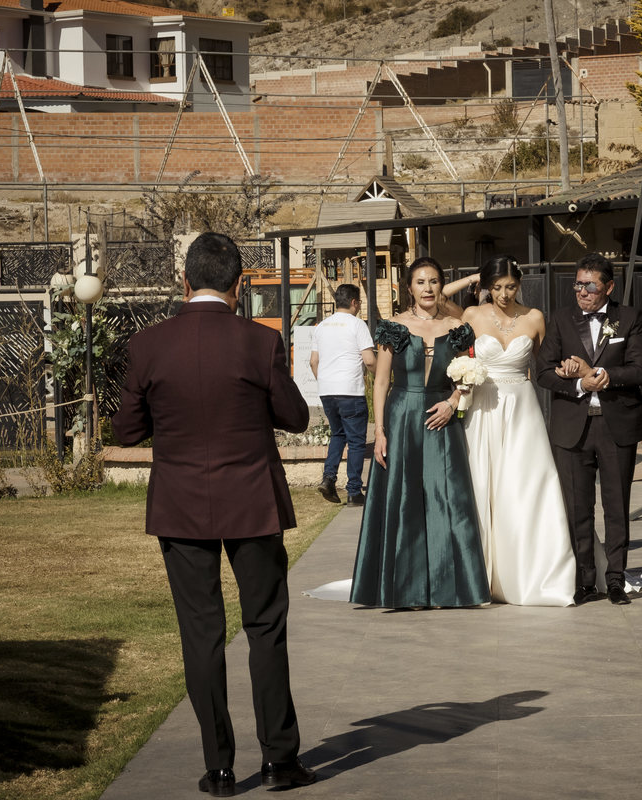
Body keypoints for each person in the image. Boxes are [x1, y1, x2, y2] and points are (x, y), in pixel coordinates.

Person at [112, 232, 317, 797]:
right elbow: (295, 418)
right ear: (240, 284)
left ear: (184, 281)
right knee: (265, 627)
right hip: (251, 499)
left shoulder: (147, 344)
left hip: (180, 505)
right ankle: (280, 759)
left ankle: (220, 768)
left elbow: (126, 431)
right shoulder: (260, 341)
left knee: (200, 634)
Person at [350, 257, 491, 609]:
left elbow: (468, 372)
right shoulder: (393, 327)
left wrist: (453, 401)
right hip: (401, 419)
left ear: (441, 285)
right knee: (404, 498)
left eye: (433, 282)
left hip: (442, 418)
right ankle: (404, 588)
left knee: (448, 498)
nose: (427, 288)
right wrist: (379, 432)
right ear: (409, 288)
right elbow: (381, 381)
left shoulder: (458, 326)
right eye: (420, 282)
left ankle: (449, 587)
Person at [461, 255, 576, 606]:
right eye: (496, 287)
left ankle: (532, 570)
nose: (504, 294)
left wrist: (572, 372)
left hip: (522, 407)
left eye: (510, 286)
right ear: (485, 286)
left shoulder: (535, 317)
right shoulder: (471, 315)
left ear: (519, 284)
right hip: (482, 407)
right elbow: (457, 355)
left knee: (525, 484)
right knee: (482, 481)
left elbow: (544, 367)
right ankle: (477, 571)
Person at [536, 252, 642, 605]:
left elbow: (640, 369)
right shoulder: (560, 320)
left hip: (617, 425)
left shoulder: (629, 318)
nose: (582, 292)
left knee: (616, 506)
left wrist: (606, 377)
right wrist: (579, 384)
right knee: (577, 508)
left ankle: (615, 578)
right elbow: (542, 372)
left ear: (609, 287)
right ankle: (585, 579)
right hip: (573, 427)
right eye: (578, 285)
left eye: (590, 285)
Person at [310, 283, 376, 507]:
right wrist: (381, 375)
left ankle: (329, 478)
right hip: (350, 390)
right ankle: (354, 491)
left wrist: (326, 381)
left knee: (338, 435)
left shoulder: (320, 326)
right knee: (357, 442)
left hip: (327, 390)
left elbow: (313, 362)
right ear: (355, 302)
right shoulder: (357, 324)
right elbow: (368, 360)